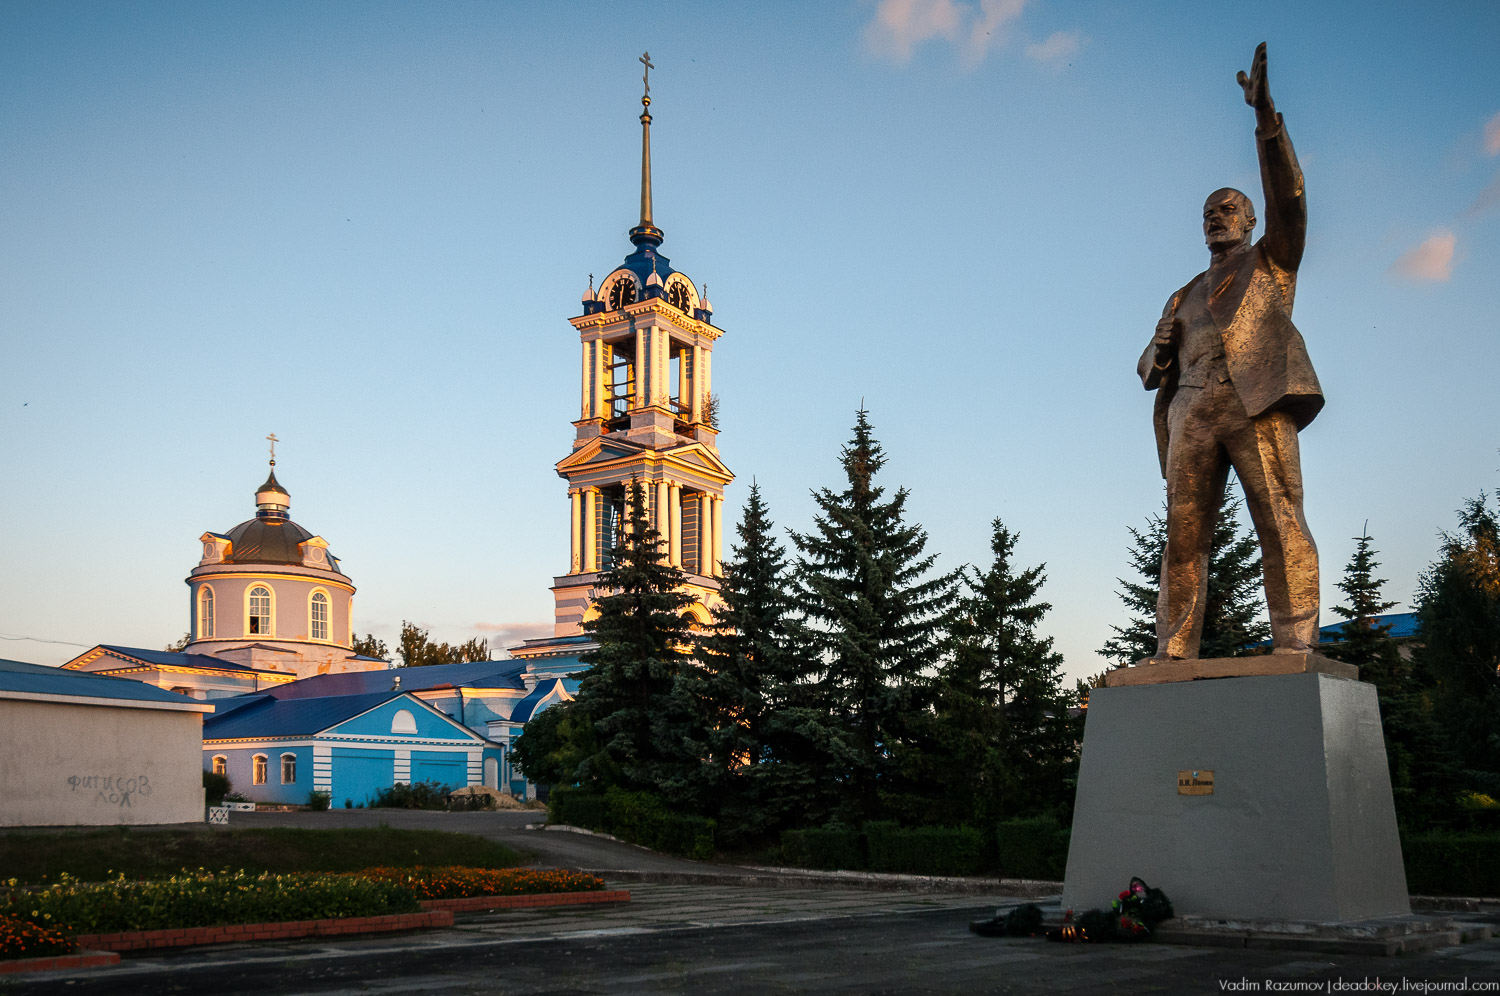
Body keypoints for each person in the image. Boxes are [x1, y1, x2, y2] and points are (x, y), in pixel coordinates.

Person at [1138, 43, 1323, 661]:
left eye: (1227, 210)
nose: (1216, 218)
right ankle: (1173, 649)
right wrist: (1160, 349)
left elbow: (1290, 199)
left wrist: (1265, 121)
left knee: (1279, 518)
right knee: (1183, 537)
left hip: (1255, 401)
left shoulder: (1273, 262)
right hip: (1191, 409)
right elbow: (1146, 371)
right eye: (1208, 213)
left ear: (1247, 221)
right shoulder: (1183, 292)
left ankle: (1295, 641)